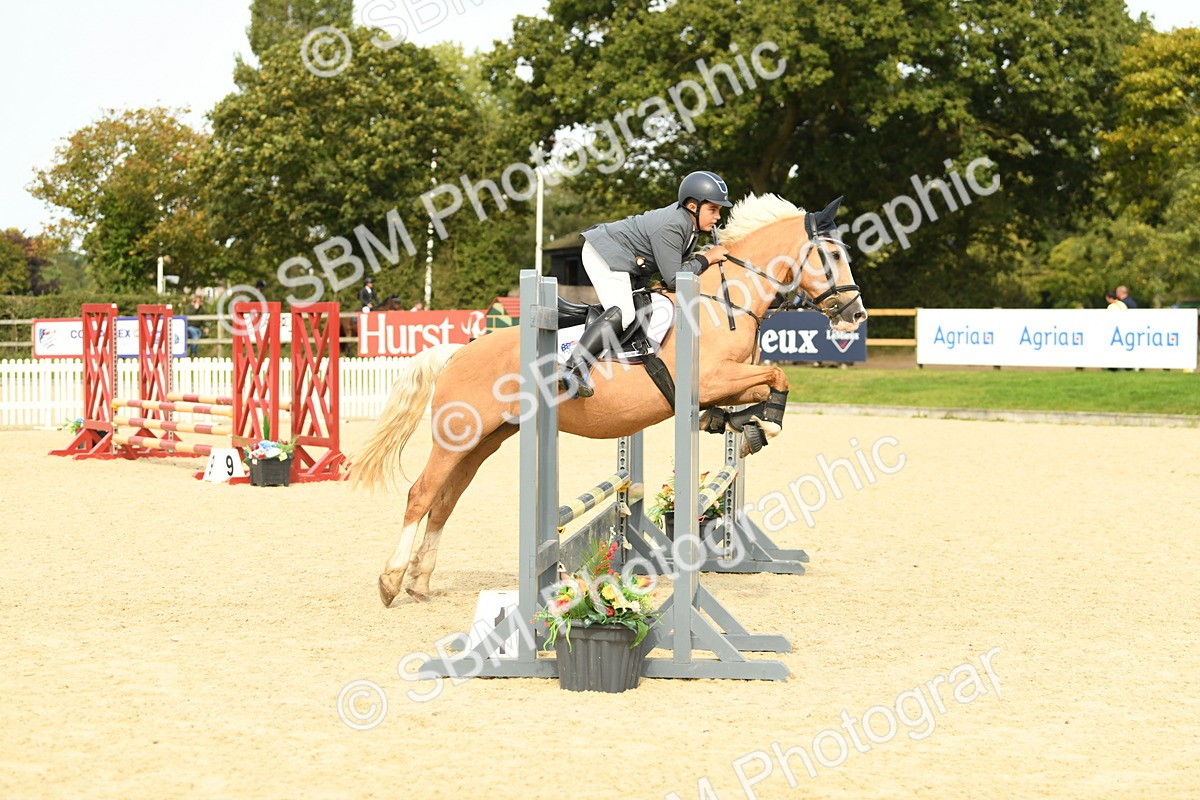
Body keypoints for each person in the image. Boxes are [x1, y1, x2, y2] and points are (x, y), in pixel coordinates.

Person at [560, 170, 733, 398]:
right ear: (693, 206)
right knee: (625, 313)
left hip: (627, 263)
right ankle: (573, 368)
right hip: (605, 254)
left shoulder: (688, 226)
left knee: (628, 310)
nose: (717, 216)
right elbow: (675, 280)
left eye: (718, 210)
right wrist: (706, 258)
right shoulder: (673, 225)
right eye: (713, 209)